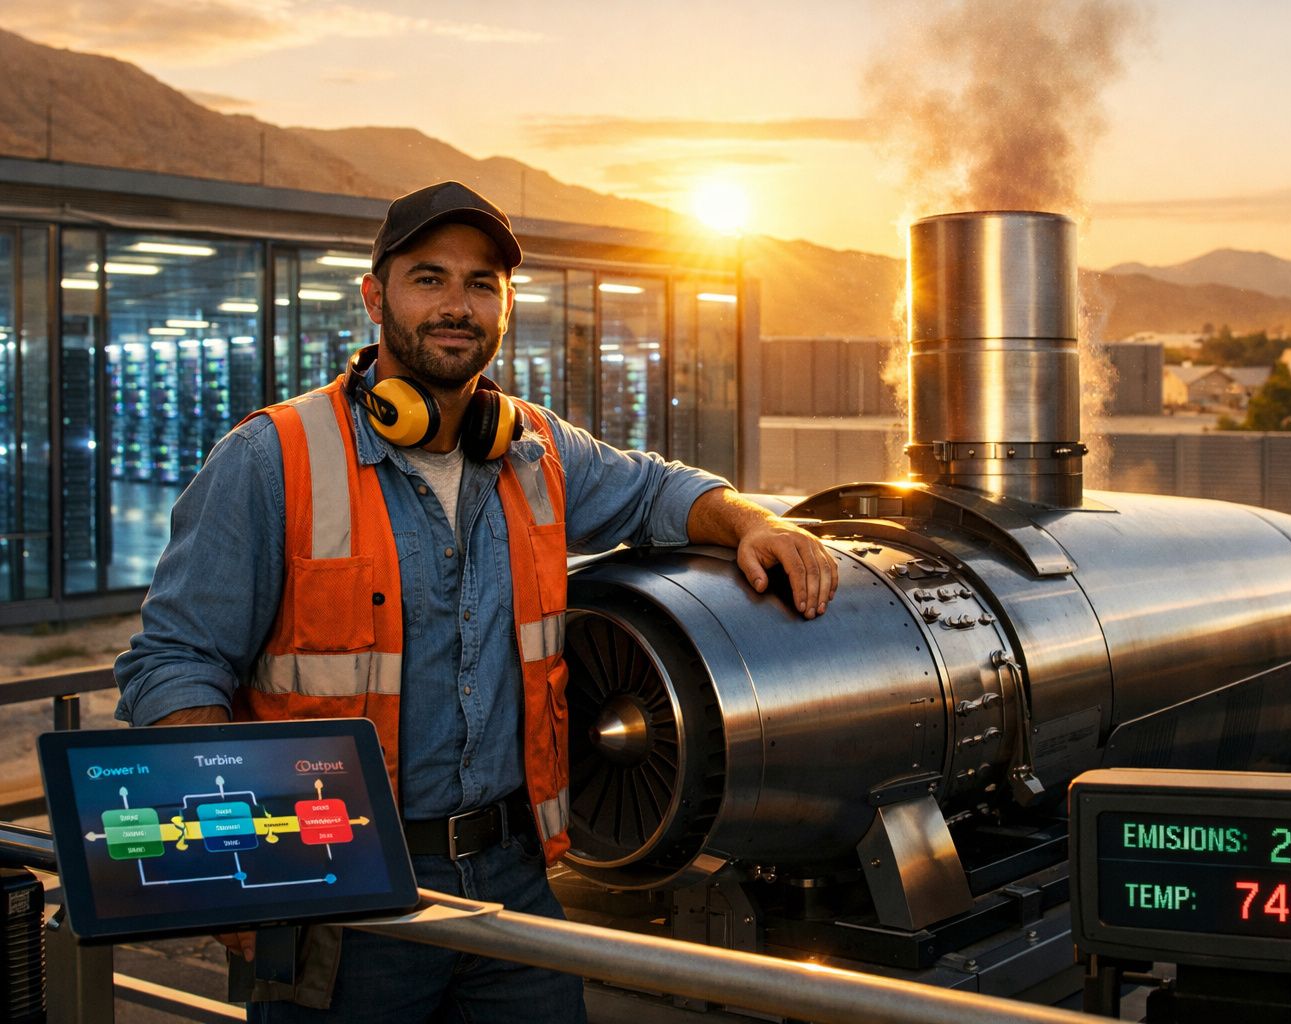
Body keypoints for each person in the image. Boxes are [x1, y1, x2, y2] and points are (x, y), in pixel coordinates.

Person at [114, 180, 839, 1023]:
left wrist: (749, 522)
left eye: (481, 284)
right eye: (430, 278)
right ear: (375, 297)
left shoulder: (532, 449)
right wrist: (235, 867)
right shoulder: (272, 459)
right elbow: (173, 665)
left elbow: (657, 491)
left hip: (513, 882)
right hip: (341, 890)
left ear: (503, 309)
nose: (457, 305)